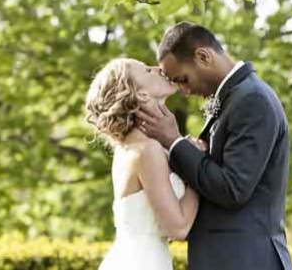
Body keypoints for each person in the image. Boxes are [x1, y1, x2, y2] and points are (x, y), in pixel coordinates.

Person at [135, 22, 292, 270]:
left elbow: (232, 189)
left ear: (203, 56)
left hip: (245, 260)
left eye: (183, 80)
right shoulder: (235, 98)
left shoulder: (253, 100)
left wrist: (173, 141)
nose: (184, 91)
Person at [84, 57, 203, 270]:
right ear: (141, 94)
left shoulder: (136, 146)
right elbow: (179, 228)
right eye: (148, 71)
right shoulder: (146, 150)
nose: (158, 69)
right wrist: (198, 165)